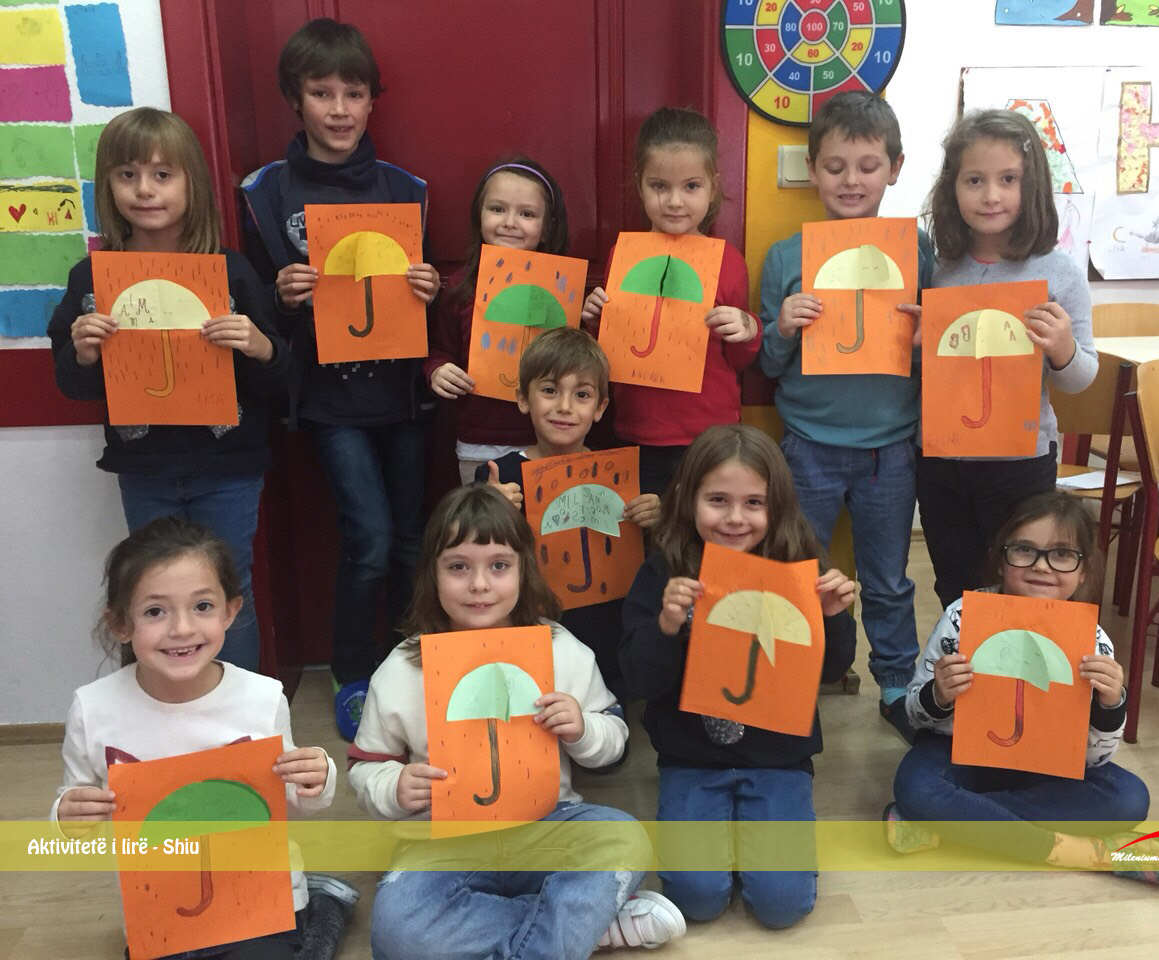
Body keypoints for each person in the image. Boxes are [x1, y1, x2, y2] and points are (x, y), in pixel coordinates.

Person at [348, 484, 686, 959]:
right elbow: (366, 766)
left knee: (624, 838)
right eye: (458, 567)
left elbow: (614, 739)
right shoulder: (403, 667)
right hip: (443, 839)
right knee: (396, 930)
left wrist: (582, 730)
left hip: (548, 823)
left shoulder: (559, 648)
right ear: (430, 574)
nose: (479, 585)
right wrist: (394, 787)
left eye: (499, 566)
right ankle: (584, 926)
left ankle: (562, 926)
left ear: (524, 570)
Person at [239, 18, 439, 739]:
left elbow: (421, 301)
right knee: (370, 539)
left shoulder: (405, 189)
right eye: (322, 93)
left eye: (354, 93)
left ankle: (411, 669)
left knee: (411, 539)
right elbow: (249, 310)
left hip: (403, 396)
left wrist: (427, 288)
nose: (339, 109)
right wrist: (281, 296)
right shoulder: (266, 192)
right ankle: (355, 673)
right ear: (295, 99)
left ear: (372, 100)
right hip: (328, 399)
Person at [47, 107, 291, 673]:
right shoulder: (93, 278)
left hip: (228, 464)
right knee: (153, 591)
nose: (144, 189)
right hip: (145, 466)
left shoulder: (228, 270)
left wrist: (260, 346)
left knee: (227, 591)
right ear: (108, 186)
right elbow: (73, 384)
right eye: (127, 174)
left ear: (191, 183)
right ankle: (168, 706)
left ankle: (238, 711)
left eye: (162, 174)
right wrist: (82, 352)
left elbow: (281, 378)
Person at [52, 517, 355, 959]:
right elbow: (74, 808)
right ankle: (328, 907)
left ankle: (318, 910)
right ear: (120, 624)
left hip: (260, 902)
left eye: (203, 606)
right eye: (155, 611)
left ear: (230, 611)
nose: (182, 629)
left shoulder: (261, 697)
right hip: (159, 910)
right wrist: (68, 816)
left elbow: (292, 801)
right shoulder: (93, 708)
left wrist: (316, 777)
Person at [618, 424, 858, 929]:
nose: (734, 518)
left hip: (778, 759)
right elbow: (640, 680)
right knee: (696, 900)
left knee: (782, 905)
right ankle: (718, 836)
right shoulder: (664, 573)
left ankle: (755, 836)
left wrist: (834, 616)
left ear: (778, 506)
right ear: (688, 498)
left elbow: (831, 670)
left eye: (754, 503)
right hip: (691, 757)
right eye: (718, 500)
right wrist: (667, 625)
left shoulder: (799, 568)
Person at [887, 493, 1159, 885]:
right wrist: (938, 695)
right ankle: (1085, 854)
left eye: (1062, 554)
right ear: (999, 559)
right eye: (1024, 550)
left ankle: (947, 824)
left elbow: (1095, 760)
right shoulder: (962, 617)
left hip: (1047, 773)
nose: (1041, 566)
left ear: (1083, 571)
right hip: (960, 757)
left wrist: (1110, 705)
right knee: (916, 785)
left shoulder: (1093, 642)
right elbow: (914, 716)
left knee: (1130, 798)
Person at [758, 91, 934, 738]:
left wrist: (927, 338)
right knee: (794, 572)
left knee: (887, 579)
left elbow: (936, 357)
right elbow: (767, 364)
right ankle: (788, 683)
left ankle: (897, 685)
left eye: (867, 165)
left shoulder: (919, 251)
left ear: (895, 168)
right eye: (834, 167)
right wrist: (781, 327)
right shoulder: (786, 257)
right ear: (812, 170)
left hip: (892, 449)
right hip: (808, 444)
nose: (851, 180)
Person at [918, 108, 1096, 609]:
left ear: (1031, 185)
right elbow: (930, 366)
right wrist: (918, 343)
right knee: (955, 582)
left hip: (1019, 462)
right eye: (974, 180)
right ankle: (960, 658)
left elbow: (1082, 377)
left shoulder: (1059, 272)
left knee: (1020, 585)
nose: (991, 195)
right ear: (953, 188)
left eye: (1008, 179)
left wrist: (1062, 348)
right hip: (941, 460)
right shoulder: (939, 268)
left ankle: (1014, 659)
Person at [581, 107, 762, 496]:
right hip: (636, 429)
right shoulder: (622, 256)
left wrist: (747, 328)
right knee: (643, 523)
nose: (675, 201)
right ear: (640, 185)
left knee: (702, 525)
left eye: (691, 186)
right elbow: (609, 353)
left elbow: (739, 360)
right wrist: (595, 321)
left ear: (713, 187)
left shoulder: (728, 261)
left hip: (708, 434)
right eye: (660, 186)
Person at [480, 326, 659, 713]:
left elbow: (648, 556)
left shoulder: (621, 476)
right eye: (549, 390)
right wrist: (489, 508)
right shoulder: (500, 475)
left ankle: (607, 712)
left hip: (605, 631)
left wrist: (656, 518)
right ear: (523, 398)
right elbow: (472, 549)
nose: (564, 407)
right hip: (533, 630)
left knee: (606, 720)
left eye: (581, 395)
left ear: (600, 408)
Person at [426, 157, 569, 483]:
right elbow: (441, 349)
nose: (510, 222)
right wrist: (437, 370)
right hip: (479, 441)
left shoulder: (563, 290)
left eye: (527, 214)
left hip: (550, 436)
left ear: (547, 228)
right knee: (486, 515)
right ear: (479, 217)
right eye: (497, 209)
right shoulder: (462, 286)